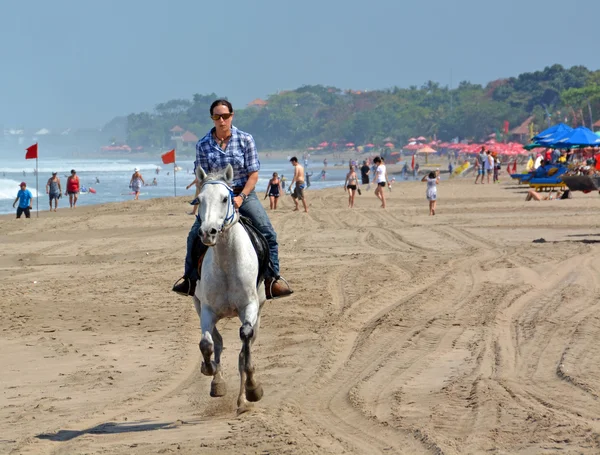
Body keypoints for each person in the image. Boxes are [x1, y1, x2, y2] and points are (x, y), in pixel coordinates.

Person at [172, 99, 292, 299]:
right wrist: (203, 201)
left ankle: (273, 279)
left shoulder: (245, 140)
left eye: (225, 116)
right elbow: (201, 179)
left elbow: (254, 174)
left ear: (232, 116)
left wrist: (241, 197)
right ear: (212, 118)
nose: (221, 120)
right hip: (215, 197)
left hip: (243, 193)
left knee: (267, 232)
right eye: (217, 116)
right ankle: (190, 280)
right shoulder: (202, 144)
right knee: (194, 235)